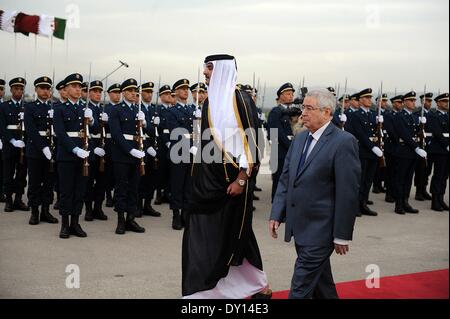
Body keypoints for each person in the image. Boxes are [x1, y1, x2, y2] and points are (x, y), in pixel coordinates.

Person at [182, 54, 271, 299]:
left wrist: (242, 179)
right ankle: (205, 291)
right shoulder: (209, 102)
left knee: (236, 234)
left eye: (209, 68)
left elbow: (251, 143)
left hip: (233, 181)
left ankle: (256, 285)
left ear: (222, 69)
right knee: (204, 232)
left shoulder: (240, 100)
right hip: (208, 183)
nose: (205, 73)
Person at [270, 89, 360, 299]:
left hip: (322, 230)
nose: (303, 113)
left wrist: (342, 234)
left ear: (327, 112)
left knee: (300, 288)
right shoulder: (300, 139)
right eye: (303, 108)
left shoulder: (344, 142)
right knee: (322, 286)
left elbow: (348, 192)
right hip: (299, 226)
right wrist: (277, 213)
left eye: (309, 108)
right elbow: (286, 179)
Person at [53, 73, 95, 238]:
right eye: (75, 87)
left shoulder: (84, 108)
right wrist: (75, 150)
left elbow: (93, 128)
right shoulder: (60, 109)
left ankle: (75, 223)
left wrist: (91, 121)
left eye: (80, 87)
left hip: (84, 156)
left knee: (80, 191)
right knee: (66, 191)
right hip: (67, 156)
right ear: (67, 89)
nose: (78, 90)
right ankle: (64, 224)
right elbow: (61, 134)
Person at [109, 78, 146, 235]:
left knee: (134, 188)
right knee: (122, 187)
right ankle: (121, 220)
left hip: (137, 154)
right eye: (130, 91)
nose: (133, 94)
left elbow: (147, 131)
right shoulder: (116, 110)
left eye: (135, 91)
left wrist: (144, 123)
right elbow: (116, 134)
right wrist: (130, 150)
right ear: (123, 92)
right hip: (122, 154)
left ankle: (131, 218)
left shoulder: (137, 110)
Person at [24, 76, 58, 225]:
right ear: (36, 90)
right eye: (42, 88)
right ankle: (34, 212)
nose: (45, 91)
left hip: (52, 149)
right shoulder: (30, 107)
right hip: (35, 150)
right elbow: (31, 130)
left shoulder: (55, 107)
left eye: (47, 88)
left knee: (49, 182)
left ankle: (46, 210)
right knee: (35, 182)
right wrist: (42, 147)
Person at [0, 77, 29, 212]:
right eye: (16, 88)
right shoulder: (4, 106)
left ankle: (19, 199)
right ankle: (9, 199)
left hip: (23, 144)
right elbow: (2, 127)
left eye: (21, 89)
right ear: (11, 90)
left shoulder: (27, 106)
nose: (19, 91)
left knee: (22, 173)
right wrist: (12, 141)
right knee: (8, 172)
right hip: (10, 144)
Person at [267, 83, 295, 201]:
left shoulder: (291, 111)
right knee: (279, 180)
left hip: (288, 150)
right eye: (288, 94)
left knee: (288, 180)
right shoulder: (276, 111)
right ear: (280, 96)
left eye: (292, 94)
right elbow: (276, 132)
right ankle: (276, 207)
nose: (291, 96)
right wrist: (290, 146)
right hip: (279, 151)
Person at [428, 93, 449, 211]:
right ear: (439, 103)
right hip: (439, 150)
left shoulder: (447, 116)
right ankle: (435, 200)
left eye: (447, 101)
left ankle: (441, 198)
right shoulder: (434, 116)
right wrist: (447, 145)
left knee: (445, 176)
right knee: (438, 175)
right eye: (444, 101)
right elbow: (437, 133)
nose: (446, 103)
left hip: (447, 151)